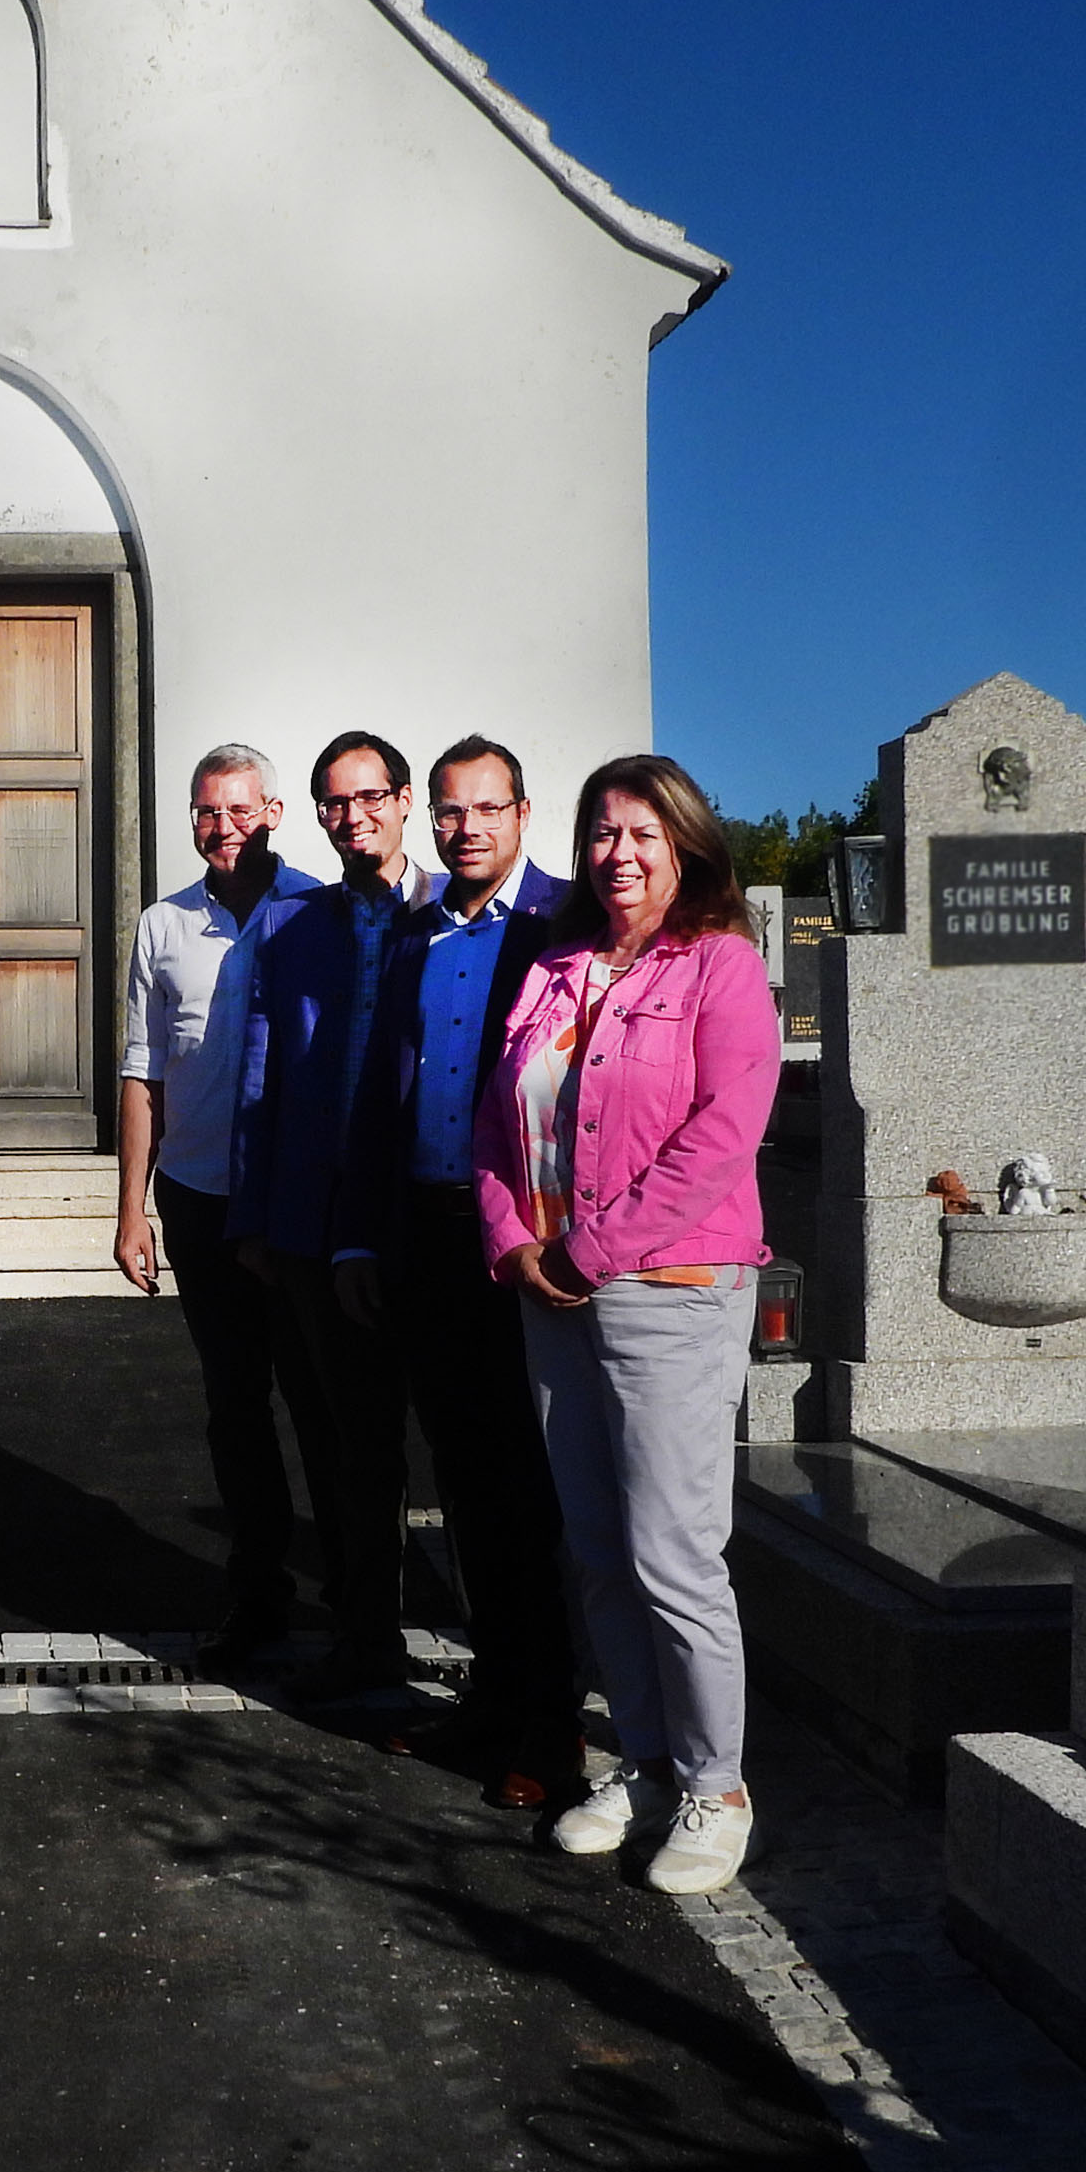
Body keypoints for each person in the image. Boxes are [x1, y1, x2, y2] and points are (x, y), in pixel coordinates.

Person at [481, 753, 779, 1896]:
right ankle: (648, 1764)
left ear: (687, 844)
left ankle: (719, 1785)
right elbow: (498, 1120)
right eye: (602, 833)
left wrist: (587, 1250)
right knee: (597, 1547)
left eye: (643, 834)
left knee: (672, 1553)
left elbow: (720, 1135)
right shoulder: (556, 965)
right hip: (550, 1290)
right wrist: (511, 1236)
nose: (618, 853)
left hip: (671, 1288)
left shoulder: (723, 967)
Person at [329, 735, 582, 1805]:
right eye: (447, 810)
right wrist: (357, 1233)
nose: (464, 826)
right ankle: (489, 1700)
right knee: (468, 1485)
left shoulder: (565, 924)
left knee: (531, 1492)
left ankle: (548, 1728)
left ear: (523, 813)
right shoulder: (416, 937)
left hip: (525, 1242)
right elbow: (375, 1094)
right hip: (427, 1235)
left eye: (485, 807)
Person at [112, 743, 338, 1674]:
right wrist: (132, 1209)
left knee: (324, 1405)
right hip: (200, 1197)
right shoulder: (161, 927)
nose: (221, 828)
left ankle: (364, 1601)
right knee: (234, 1408)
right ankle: (258, 1597)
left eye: (238, 810)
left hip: (295, 1207)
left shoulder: (318, 915)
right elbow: (142, 1073)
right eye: (206, 813)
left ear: (275, 813)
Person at [228, 730, 438, 1699]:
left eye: (369, 797)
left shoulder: (454, 912)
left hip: (432, 1212)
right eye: (332, 803)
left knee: (468, 1440)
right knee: (344, 1443)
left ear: (403, 799)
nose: (353, 817)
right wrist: (254, 1218)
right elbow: (261, 1082)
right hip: (313, 1223)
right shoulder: (291, 928)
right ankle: (368, 1635)